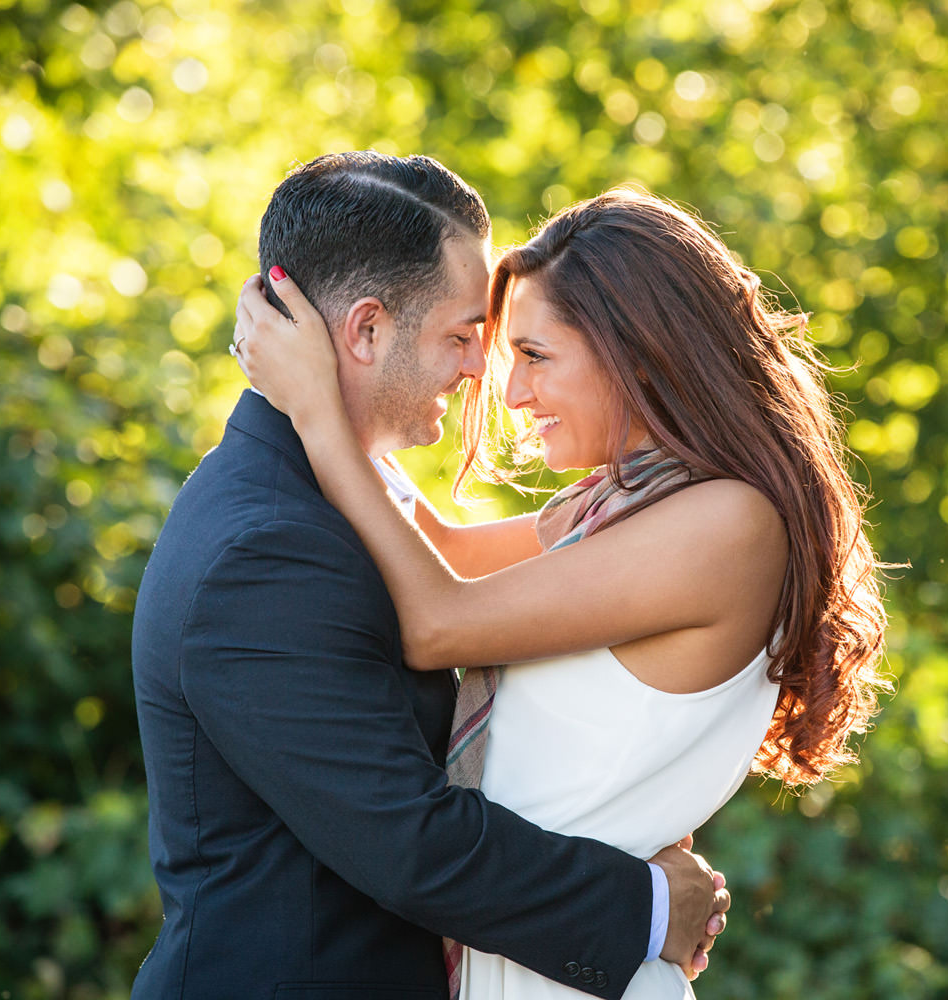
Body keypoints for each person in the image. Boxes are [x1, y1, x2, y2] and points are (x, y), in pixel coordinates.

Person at [232, 186, 890, 999]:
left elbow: (437, 622)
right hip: (529, 960)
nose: (511, 395)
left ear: (642, 350)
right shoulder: (622, 503)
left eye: (535, 358)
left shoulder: (726, 526)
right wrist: (343, 378)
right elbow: (442, 552)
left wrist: (319, 413)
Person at [130, 152, 729, 1000]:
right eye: (461, 336)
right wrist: (649, 903)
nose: (483, 371)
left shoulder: (330, 495)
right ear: (367, 330)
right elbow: (409, 843)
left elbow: (466, 567)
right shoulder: (264, 550)